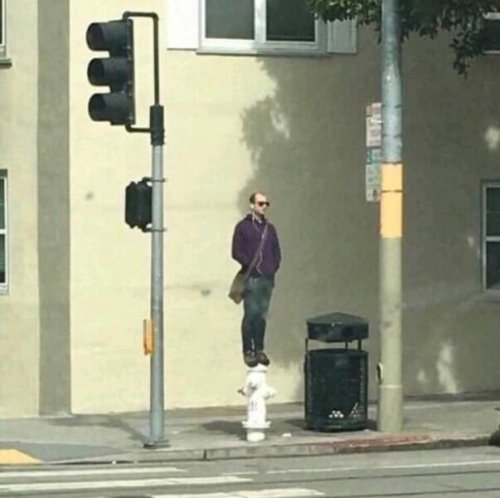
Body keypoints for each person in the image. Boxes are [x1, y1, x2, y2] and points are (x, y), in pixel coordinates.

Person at [231, 192, 281, 367]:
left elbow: (276, 252)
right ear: (252, 205)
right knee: (250, 314)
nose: (264, 206)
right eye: (260, 203)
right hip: (252, 278)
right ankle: (248, 350)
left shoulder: (270, 229)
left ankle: (259, 349)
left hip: (267, 278)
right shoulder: (243, 227)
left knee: (261, 315)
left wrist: (272, 268)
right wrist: (250, 265)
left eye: (266, 203)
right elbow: (236, 251)